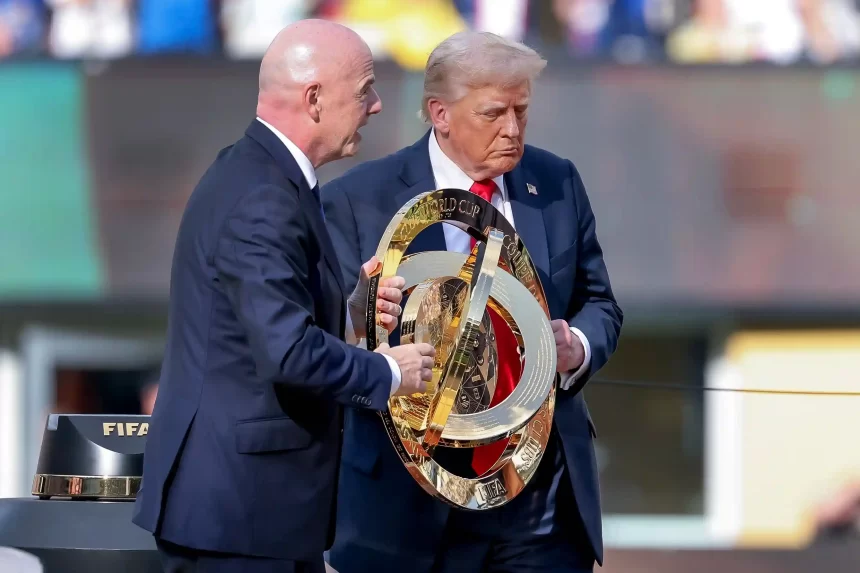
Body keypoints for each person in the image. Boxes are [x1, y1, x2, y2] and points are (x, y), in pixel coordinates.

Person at [132, 19, 436, 573]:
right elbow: (287, 352)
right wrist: (388, 372)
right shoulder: (262, 195)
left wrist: (349, 316)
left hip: (256, 515)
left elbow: (261, 329)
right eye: (364, 89)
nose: (374, 105)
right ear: (315, 99)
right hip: (238, 521)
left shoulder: (260, 175)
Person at [321, 31, 622, 573]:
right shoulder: (357, 199)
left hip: (540, 506)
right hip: (410, 502)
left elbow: (600, 305)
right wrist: (360, 316)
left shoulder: (556, 182)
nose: (512, 129)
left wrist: (575, 346)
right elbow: (322, 333)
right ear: (440, 113)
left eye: (522, 111)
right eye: (493, 113)